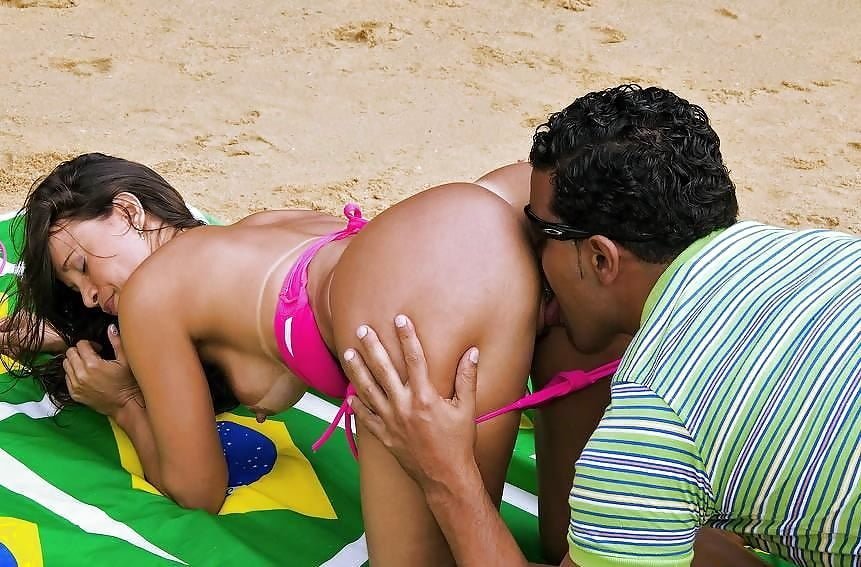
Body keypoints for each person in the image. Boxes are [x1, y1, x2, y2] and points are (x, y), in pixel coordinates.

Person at [340, 84, 860, 566]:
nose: (529, 254)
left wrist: (448, 477)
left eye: (540, 233)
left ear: (600, 259)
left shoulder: (653, 420)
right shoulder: (826, 251)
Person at [3, 152, 561, 566]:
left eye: (81, 267)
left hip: (407, 307)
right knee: (569, 540)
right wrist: (66, 336)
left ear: (127, 210)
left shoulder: (151, 295)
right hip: (486, 210)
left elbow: (197, 488)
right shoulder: (260, 228)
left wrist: (125, 403)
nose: (89, 296)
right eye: (75, 291)